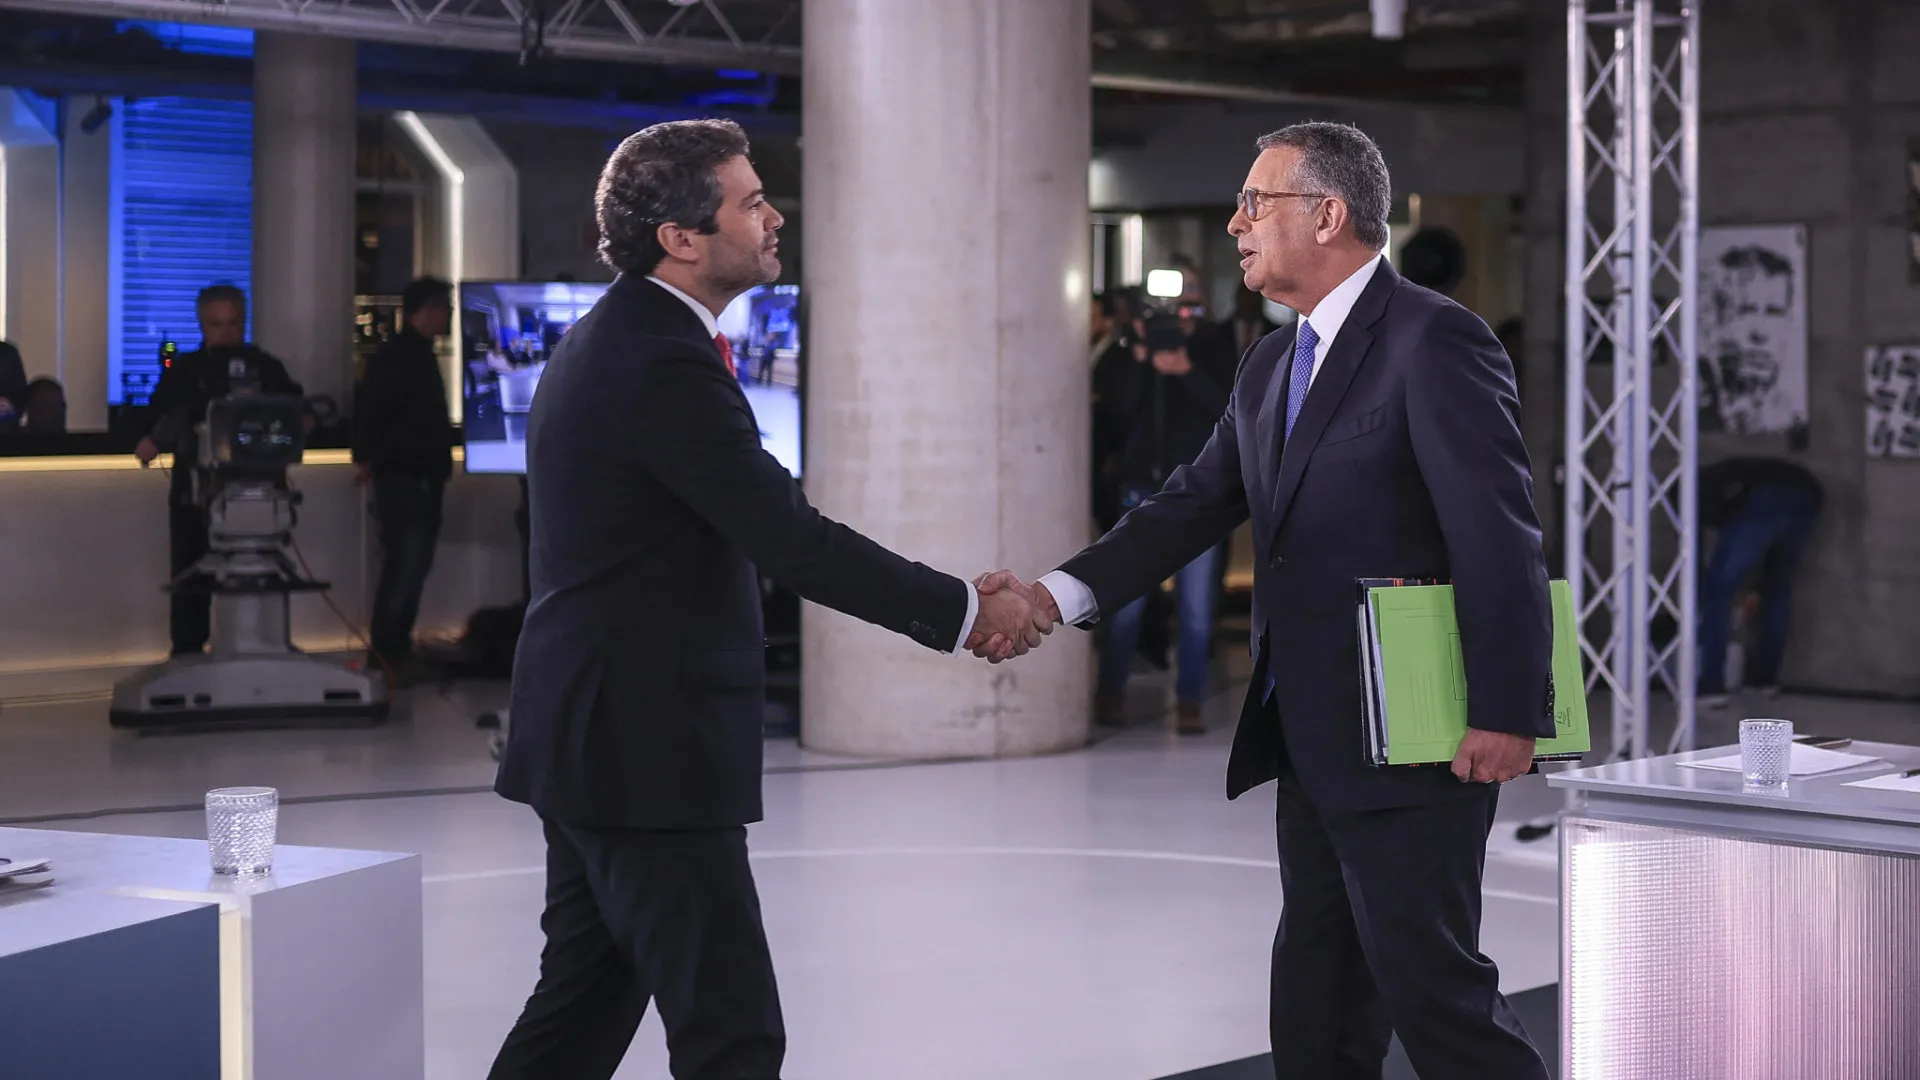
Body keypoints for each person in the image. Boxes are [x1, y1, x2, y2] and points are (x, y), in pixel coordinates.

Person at [976, 122, 1553, 1079]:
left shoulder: (1436, 339)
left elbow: (1498, 537)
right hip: (1310, 736)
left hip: (1418, 734)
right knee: (1316, 1002)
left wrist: (1506, 711)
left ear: (1328, 215)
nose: (1235, 224)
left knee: (1435, 995)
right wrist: (1052, 595)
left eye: (1255, 202)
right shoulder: (1270, 364)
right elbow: (1189, 506)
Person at [486, 119, 1042, 1080]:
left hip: (593, 736)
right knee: (731, 1035)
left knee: (579, 1009)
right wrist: (965, 610)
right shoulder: (658, 358)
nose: (775, 215)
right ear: (681, 238)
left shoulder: (627, 336)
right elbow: (790, 538)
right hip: (643, 749)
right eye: (750, 202)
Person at [1092, 282, 1236, 734]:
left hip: (1197, 499)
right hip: (1141, 491)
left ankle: (1190, 699)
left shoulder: (1212, 350)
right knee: (1126, 605)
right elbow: (1115, 411)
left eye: (1188, 312)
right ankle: (1111, 692)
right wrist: (1141, 361)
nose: (1177, 324)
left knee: (1196, 608)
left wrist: (1186, 370)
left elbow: (1230, 409)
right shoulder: (1126, 356)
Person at [133, 285, 305, 656]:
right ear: (202, 324)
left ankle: (265, 646)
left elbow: (298, 412)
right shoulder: (185, 372)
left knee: (263, 570)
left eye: (233, 324)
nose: (226, 333)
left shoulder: (267, 369)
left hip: (260, 490)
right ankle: (187, 654)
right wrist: (153, 438)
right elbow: (157, 416)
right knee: (191, 576)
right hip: (197, 491)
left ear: (244, 321)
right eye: (217, 324)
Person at [352, 277, 456, 682]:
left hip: (413, 476)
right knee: (406, 565)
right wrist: (370, 457)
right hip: (407, 478)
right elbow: (376, 415)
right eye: (444, 308)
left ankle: (393, 650)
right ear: (426, 311)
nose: (448, 316)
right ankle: (388, 651)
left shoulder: (405, 355)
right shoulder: (402, 359)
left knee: (410, 565)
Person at [1696, 456, 1823, 705]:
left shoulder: (1694, 492)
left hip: (1768, 497)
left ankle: (1711, 684)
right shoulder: (1725, 476)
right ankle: (1764, 680)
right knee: (1776, 585)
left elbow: (1698, 552)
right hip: (1808, 495)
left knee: (1717, 588)